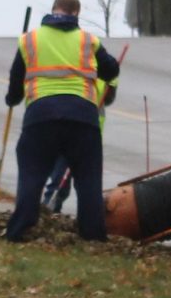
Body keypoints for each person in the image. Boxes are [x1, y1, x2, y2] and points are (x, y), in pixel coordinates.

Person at [3, 0, 121, 241]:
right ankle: (92, 234)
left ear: (53, 9)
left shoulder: (29, 40)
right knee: (88, 179)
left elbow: (15, 83)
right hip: (83, 117)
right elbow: (111, 69)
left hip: (41, 116)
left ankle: (20, 229)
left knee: (32, 174)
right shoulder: (88, 41)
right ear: (76, 13)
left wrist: (12, 99)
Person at [42, 73, 116, 214]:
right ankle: (47, 216)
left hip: (89, 133)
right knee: (60, 182)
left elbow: (109, 97)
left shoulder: (105, 65)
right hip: (67, 130)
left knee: (87, 186)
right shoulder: (72, 61)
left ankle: (89, 225)